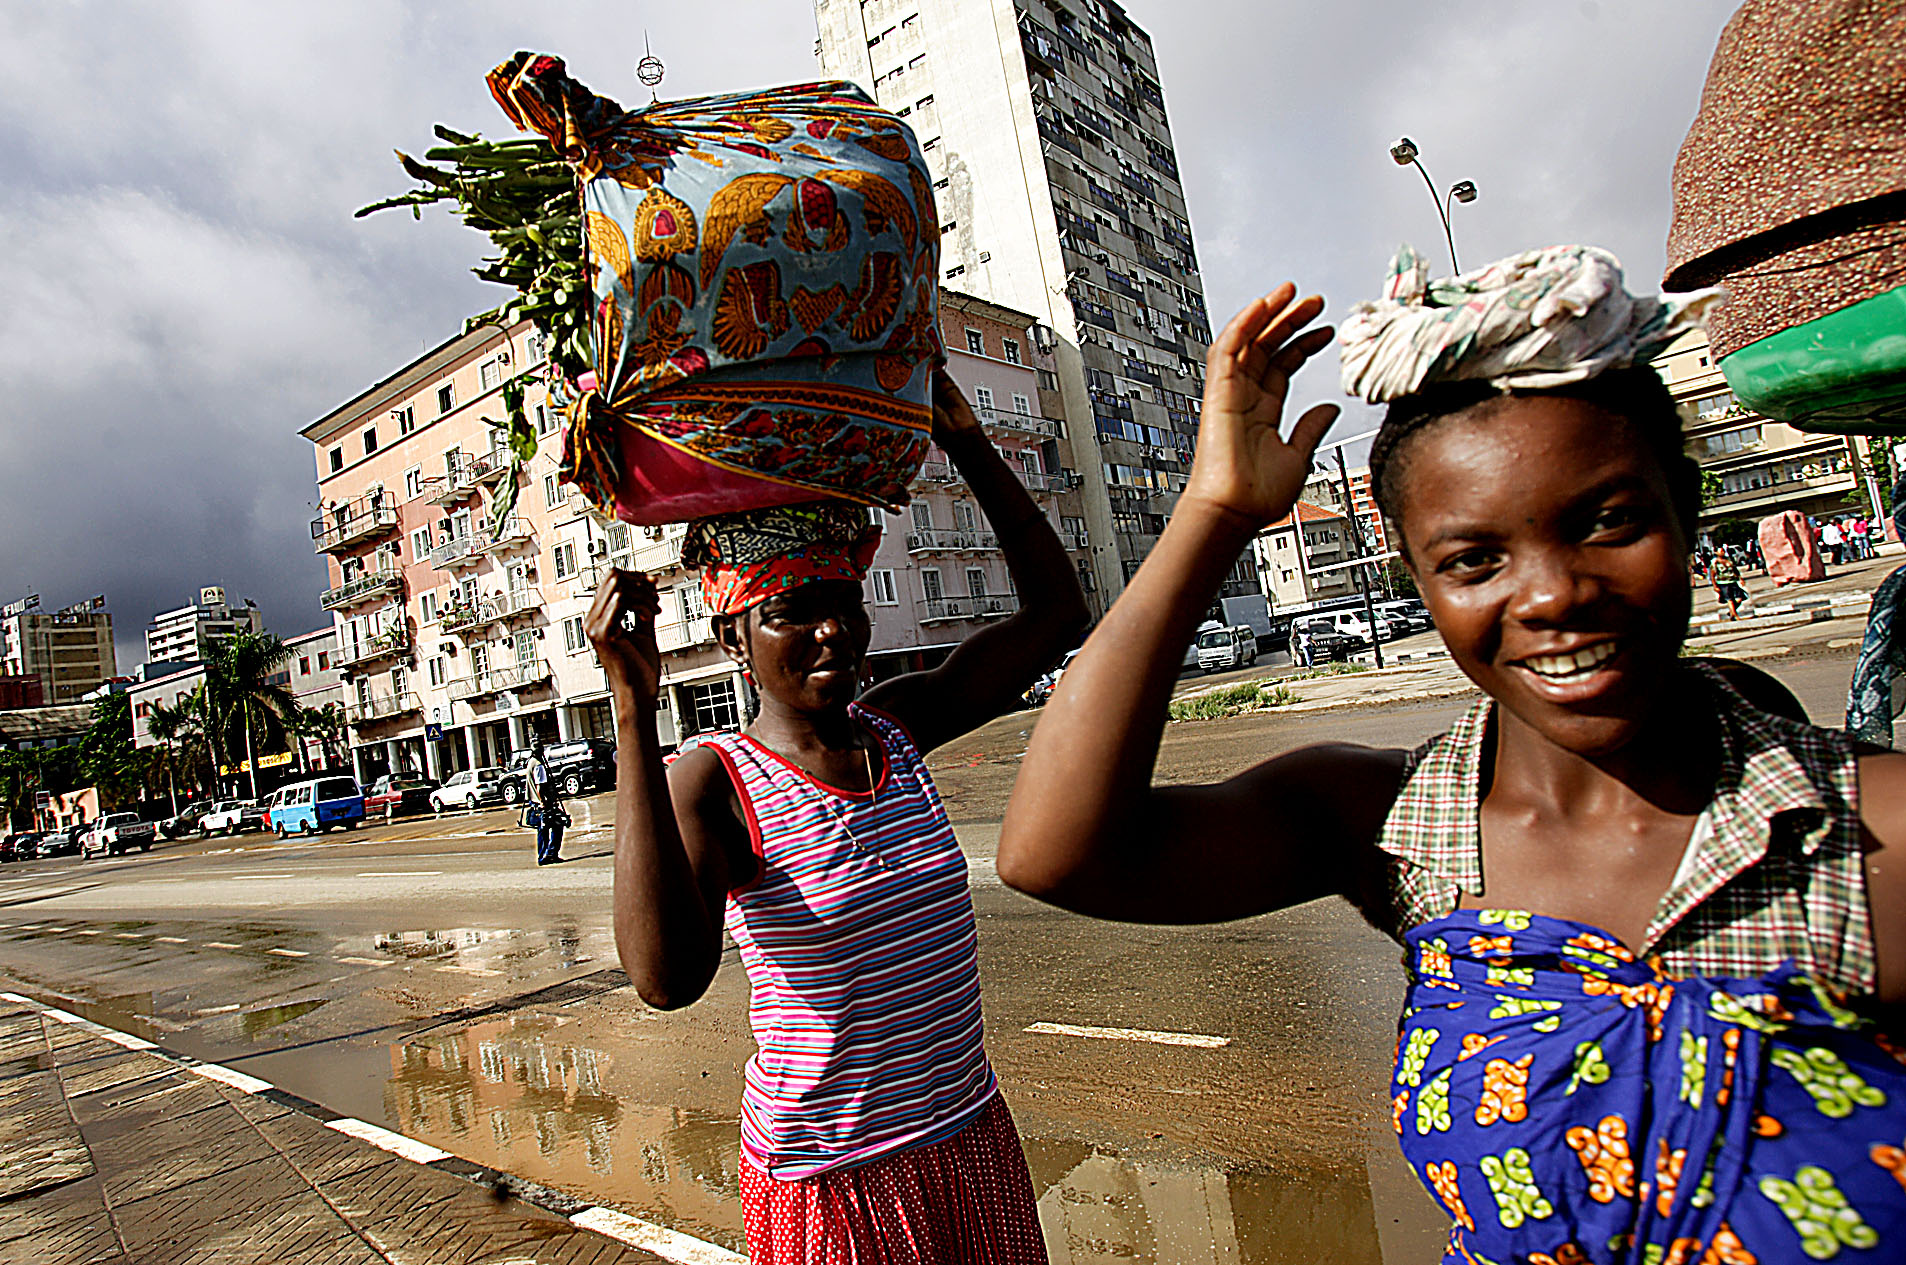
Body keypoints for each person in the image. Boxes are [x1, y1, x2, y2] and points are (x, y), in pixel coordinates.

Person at [997, 247, 1906, 1264]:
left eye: (1608, 521)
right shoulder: (1394, 826)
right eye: (1473, 559)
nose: (1553, 593)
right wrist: (1215, 515)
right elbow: (1054, 850)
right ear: (1414, 574)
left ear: (1685, 510)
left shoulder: (1869, 834)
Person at [585, 373, 1086, 1263]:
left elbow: (1056, 615)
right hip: (833, 1182)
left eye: (844, 604)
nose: (832, 633)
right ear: (735, 636)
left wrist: (964, 435)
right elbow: (665, 981)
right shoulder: (714, 780)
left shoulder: (900, 725)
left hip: (968, 1137)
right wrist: (632, 707)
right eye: (791, 613)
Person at [528, 741, 565, 864]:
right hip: (543, 803)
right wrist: (544, 802)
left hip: (535, 802)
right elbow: (540, 787)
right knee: (556, 825)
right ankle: (549, 854)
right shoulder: (538, 765)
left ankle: (545, 855)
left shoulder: (530, 762)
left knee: (544, 829)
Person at [1709, 547, 1747, 620]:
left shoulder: (1728, 560)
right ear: (1716, 553)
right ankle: (1735, 615)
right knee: (1730, 599)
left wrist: (1740, 578)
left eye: (1723, 551)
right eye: (1721, 551)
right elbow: (1712, 575)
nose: (1722, 552)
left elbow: (1735, 569)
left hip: (1733, 581)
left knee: (1739, 598)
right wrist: (1715, 586)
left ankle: (1732, 612)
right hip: (1723, 583)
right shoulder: (1715, 562)